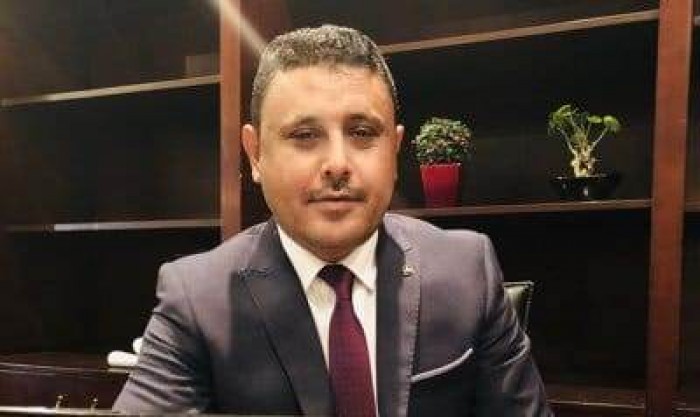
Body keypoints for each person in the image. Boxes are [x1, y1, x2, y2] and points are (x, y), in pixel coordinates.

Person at [113, 24, 552, 416]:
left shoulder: (467, 270)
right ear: (255, 154)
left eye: (362, 133)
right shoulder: (196, 298)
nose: (338, 164)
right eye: (304, 136)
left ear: (394, 149)